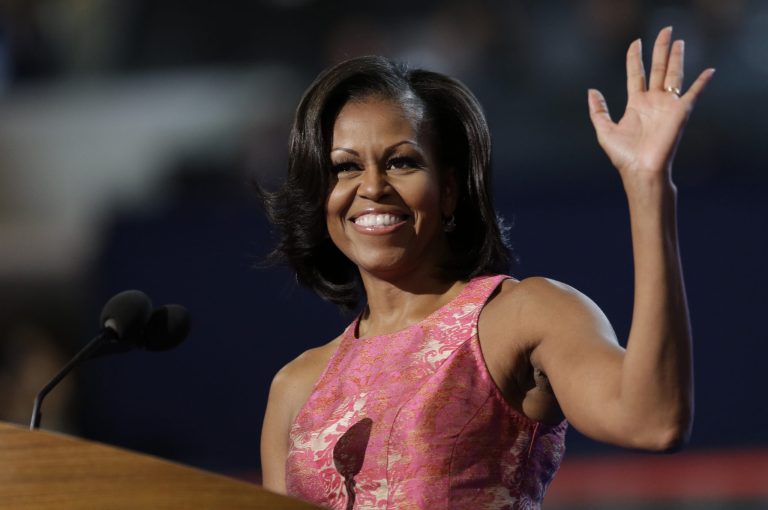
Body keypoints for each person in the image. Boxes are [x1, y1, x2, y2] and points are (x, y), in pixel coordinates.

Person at [260, 27, 714, 509]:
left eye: (401, 162)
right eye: (345, 167)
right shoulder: (296, 386)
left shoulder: (524, 316)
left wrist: (648, 185)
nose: (372, 186)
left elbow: (652, 420)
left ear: (450, 189)